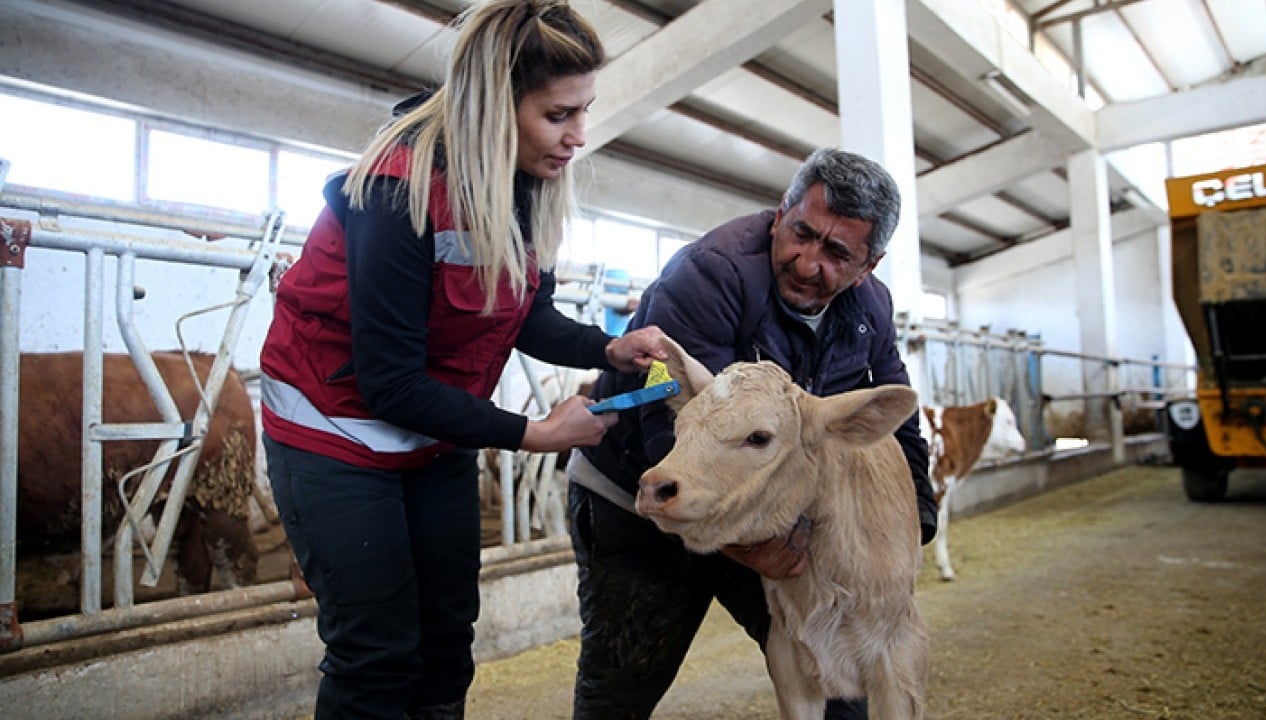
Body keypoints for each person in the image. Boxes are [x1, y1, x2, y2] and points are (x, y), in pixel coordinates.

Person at [257, 3, 667, 719]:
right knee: (377, 651)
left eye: (584, 111)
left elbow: (525, 313)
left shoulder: (525, 184)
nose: (578, 136)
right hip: (335, 428)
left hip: (435, 431)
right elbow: (389, 383)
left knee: (446, 643)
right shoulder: (398, 188)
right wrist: (533, 433)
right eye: (558, 115)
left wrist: (605, 347)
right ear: (494, 104)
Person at [566, 147, 939, 720]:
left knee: (838, 683)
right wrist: (745, 544)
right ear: (780, 212)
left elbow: (896, 409)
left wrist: (916, 517)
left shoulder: (871, 310)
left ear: (869, 265)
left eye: (836, 253)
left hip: (770, 515)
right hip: (641, 493)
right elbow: (665, 413)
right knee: (624, 682)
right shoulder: (707, 274)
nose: (807, 263)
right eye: (801, 233)